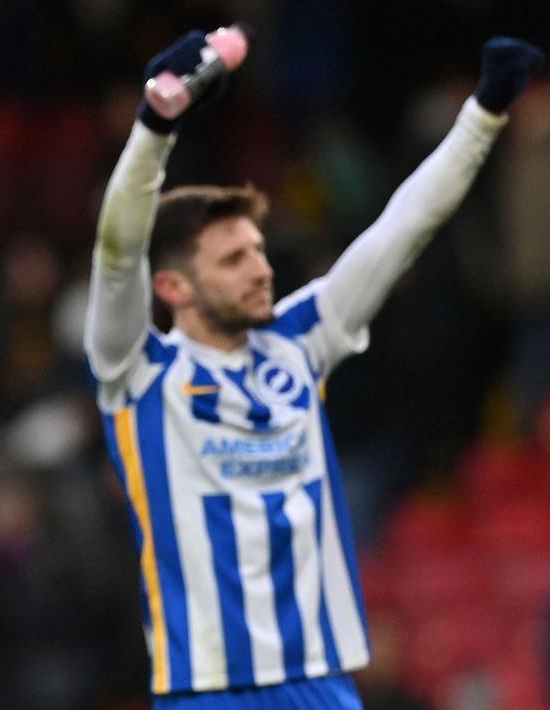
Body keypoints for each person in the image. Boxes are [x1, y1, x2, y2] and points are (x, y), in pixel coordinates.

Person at [84, 32, 543, 709]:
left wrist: (481, 115)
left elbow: (403, 227)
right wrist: (154, 129)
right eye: (233, 259)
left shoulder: (301, 341)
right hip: (209, 690)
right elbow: (119, 251)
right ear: (175, 288)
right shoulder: (138, 371)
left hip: (320, 687)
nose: (261, 268)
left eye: (258, 251)